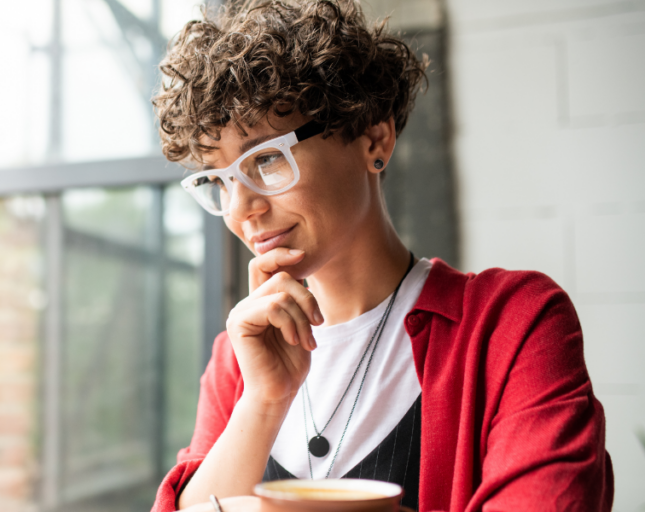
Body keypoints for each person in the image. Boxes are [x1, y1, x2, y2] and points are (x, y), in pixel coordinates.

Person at [149, 1, 614, 511]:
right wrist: (262, 403)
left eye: (265, 159)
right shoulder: (237, 360)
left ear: (375, 137)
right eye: (219, 179)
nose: (242, 209)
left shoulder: (512, 323)